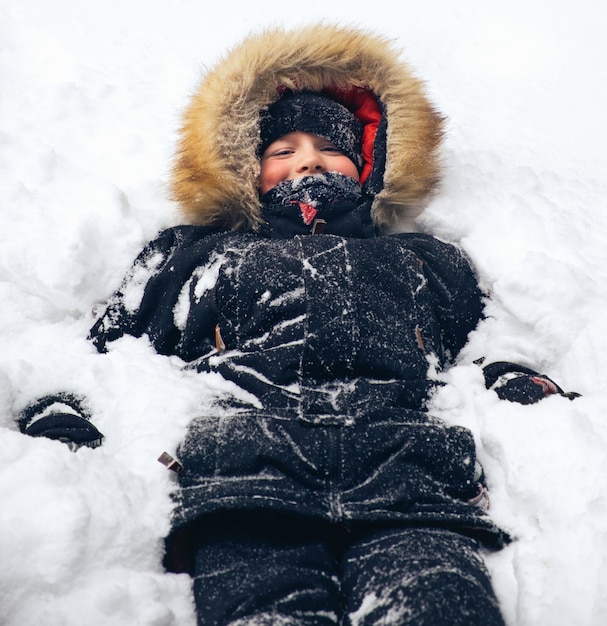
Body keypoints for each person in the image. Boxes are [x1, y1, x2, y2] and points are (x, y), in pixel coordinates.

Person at [17, 24, 578, 625]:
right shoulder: (199, 254)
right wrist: (61, 407)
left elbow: (477, 344)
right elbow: (109, 352)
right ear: (245, 166)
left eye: (330, 147)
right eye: (282, 150)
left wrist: (509, 375)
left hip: (410, 482)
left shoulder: (421, 258)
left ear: (368, 163)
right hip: (248, 483)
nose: (307, 159)